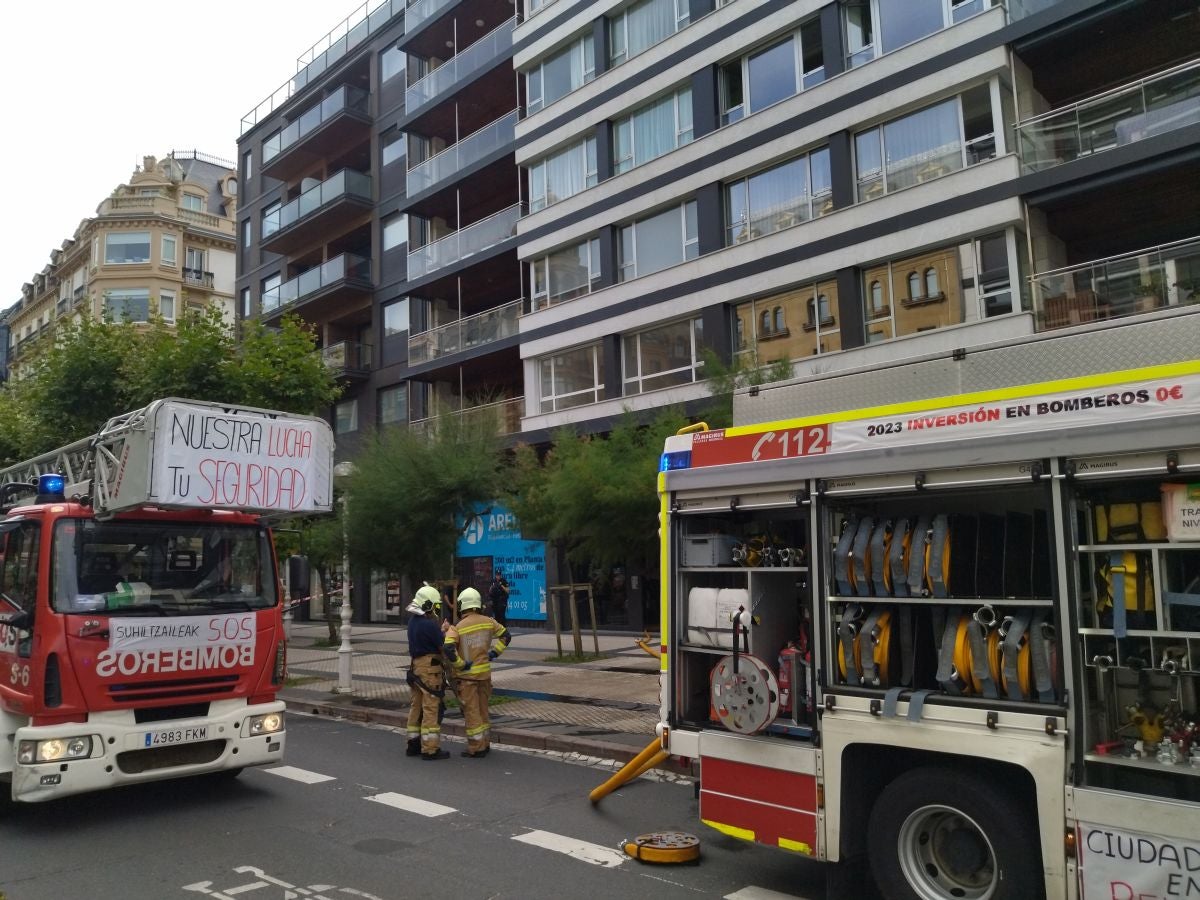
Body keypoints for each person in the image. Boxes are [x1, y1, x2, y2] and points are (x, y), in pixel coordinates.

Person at [444, 587, 511, 758]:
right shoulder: (489, 621)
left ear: (462, 605)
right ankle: (486, 743)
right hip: (485, 675)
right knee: (483, 710)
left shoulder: (458, 627)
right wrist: (494, 653)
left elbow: (448, 648)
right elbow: (506, 636)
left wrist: (459, 664)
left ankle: (476, 747)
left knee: (471, 712)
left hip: (467, 678)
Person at [405, 584, 451, 761]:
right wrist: (446, 632)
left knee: (415, 706)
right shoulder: (429, 625)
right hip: (430, 670)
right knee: (431, 707)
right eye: (435, 606)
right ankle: (430, 748)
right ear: (428, 605)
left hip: (415, 669)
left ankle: (413, 744)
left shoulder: (413, 622)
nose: (436, 610)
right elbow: (443, 647)